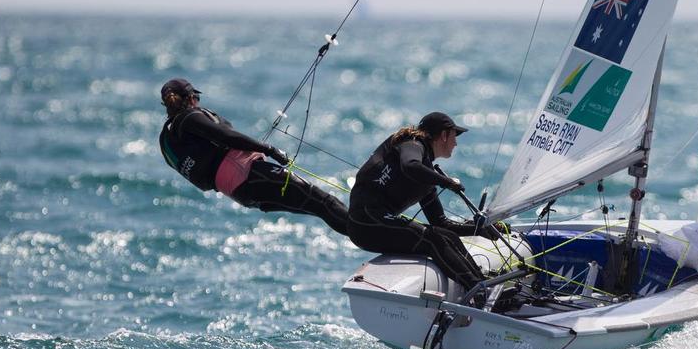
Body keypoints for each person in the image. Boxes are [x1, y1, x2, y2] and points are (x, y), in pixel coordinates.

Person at [158, 78, 350, 235]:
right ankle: (368, 234)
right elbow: (226, 137)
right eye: (196, 98)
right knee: (324, 202)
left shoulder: (168, 139)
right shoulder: (190, 117)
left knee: (319, 207)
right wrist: (270, 150)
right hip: (250, 174)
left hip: (241, 193)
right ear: (191, 97)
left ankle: (364, 234)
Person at [348, 112, 501, 301]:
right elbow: (410, 165)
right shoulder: (412, 144)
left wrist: (479, 229)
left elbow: (442, 223)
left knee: (447, 236)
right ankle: (478, 291)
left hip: (378, 222)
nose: (456, 143)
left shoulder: (426, 173)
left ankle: (482, 283)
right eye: (454, 136)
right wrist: (447, 181)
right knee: (432, 240)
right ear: (444, 135)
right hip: (365, 222)